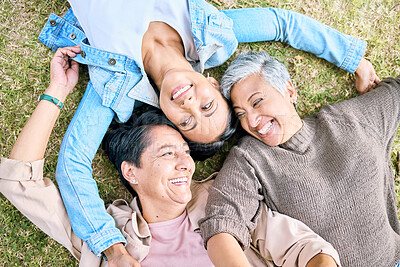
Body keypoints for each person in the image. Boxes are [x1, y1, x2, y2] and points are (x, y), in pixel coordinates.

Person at [38, 0, 379, 260]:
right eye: (207, 106)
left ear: (167, 116)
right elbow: (280, 23)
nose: (188, 105)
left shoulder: (112, 87)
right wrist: (353, 60)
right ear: (212, 82)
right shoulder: (212, 32)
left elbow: (72, 162)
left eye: (185, 122)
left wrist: (113, 249)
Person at [0, 48, 342, 267]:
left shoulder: (223, 204)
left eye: (184, 151)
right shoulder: (107, 232)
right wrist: (56, 91)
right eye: (168, 153)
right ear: (131, 172)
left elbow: (307, 250)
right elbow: (20, 183)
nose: (186, 163)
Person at [199, 51, 400, 267]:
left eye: (256, 102)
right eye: (241, 114)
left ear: (289, 90)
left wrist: (358, 64)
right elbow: (221, 223)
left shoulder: (350, 119)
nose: (252, 120)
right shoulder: (250, 158)